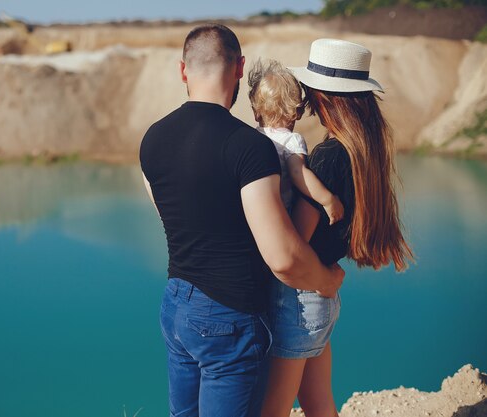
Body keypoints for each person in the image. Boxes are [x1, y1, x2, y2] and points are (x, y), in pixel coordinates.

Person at [139, 24, 344, 417]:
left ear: (183, 70)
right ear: (240, 68)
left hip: (176, 306)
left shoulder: (152, 138)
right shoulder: (250, 147)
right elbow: (282, 257)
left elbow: (173, 216)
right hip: (228, 317)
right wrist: (326, 280)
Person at [260, 39, 414, 417]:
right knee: (318, 402)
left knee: (272, 409)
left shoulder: (327, 157)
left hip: (299, 298)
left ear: (323, 96)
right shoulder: (360, 148)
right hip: (322, 300)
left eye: (309, 90)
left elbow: (295, 241)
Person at [247, 59, 344, 223]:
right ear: (297, 112)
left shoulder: (252, 138)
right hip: (281, 215)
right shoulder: (291, 141)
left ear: (256, 112)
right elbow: (298, 173)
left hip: (253, 214)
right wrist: (328, 200)